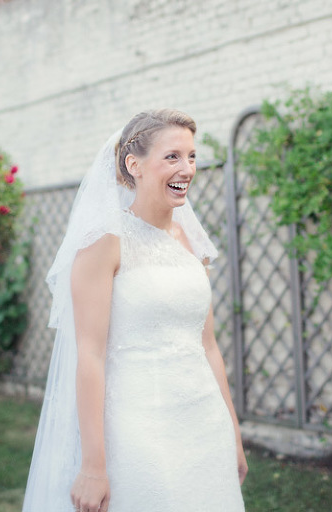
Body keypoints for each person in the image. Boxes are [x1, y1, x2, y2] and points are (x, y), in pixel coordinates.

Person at [22, 109, 247, 512]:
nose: (187, 169)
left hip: (204, 423)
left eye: (192, 156)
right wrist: (93, 466)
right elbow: (89, 355)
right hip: (139, 426)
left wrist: (232, 433)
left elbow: (208, 346)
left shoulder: (191, 243)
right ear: (134, 165)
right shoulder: (104, 243)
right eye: (172, 156)